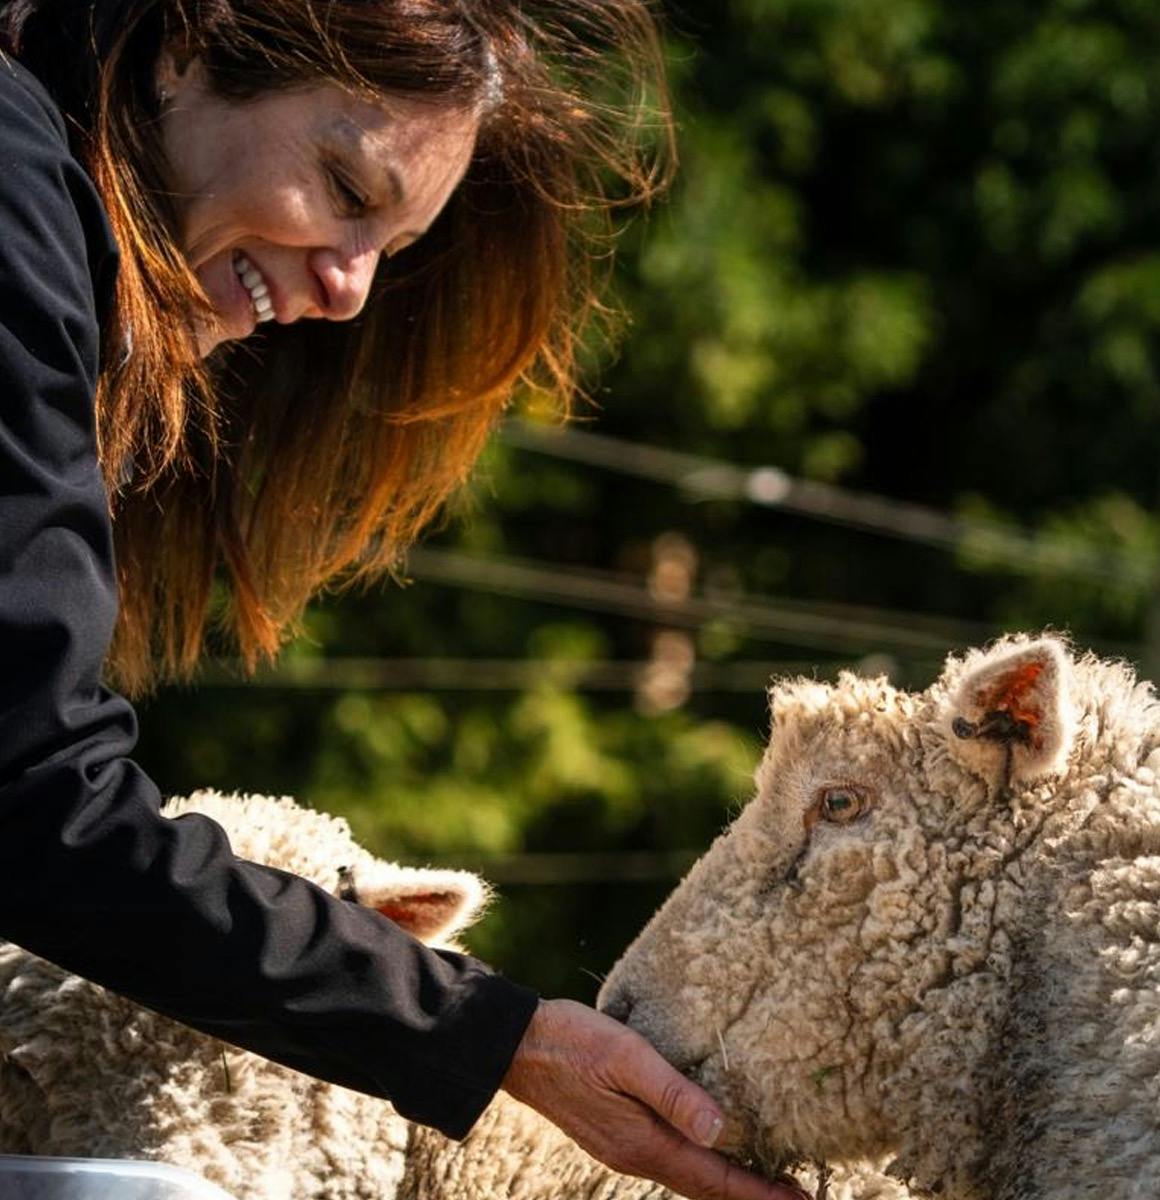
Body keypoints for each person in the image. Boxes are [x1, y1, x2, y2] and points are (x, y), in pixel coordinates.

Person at [0, 2, 799, 1198]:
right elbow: (30, 792)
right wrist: (495, 1038)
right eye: (343, 187)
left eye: (391, 246)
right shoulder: (16, 200)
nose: (348, 290)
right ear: (187, 45)